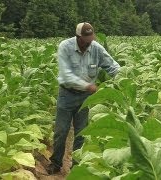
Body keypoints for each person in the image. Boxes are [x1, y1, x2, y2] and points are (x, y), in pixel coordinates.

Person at [46, 22, 120, 174]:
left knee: (81, 133)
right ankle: (55, 163)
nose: (89, 43)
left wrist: (124, 77)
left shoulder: (96, 48)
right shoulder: (65, 47)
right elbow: (66, 75)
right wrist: (89, 86)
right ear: (78, 37)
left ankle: (77, 166)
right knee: (61, 131)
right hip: (67, 95)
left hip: (85, 98)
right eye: (86, 40)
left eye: (91, 39)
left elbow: (113, 66)